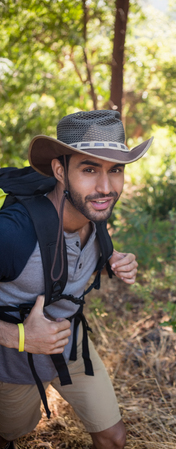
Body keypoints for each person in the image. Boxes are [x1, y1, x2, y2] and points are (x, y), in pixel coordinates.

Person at [0, 110, 153, 449]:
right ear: (59, 170)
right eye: (88, 169)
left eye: (116, 170)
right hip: (11, 356)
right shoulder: (11, 234)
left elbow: (65, 260)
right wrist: (20, 335)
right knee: (12, 433)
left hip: (71, 341)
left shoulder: (93, 212)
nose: (105, 187)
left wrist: (109, 262)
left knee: (113, 438)